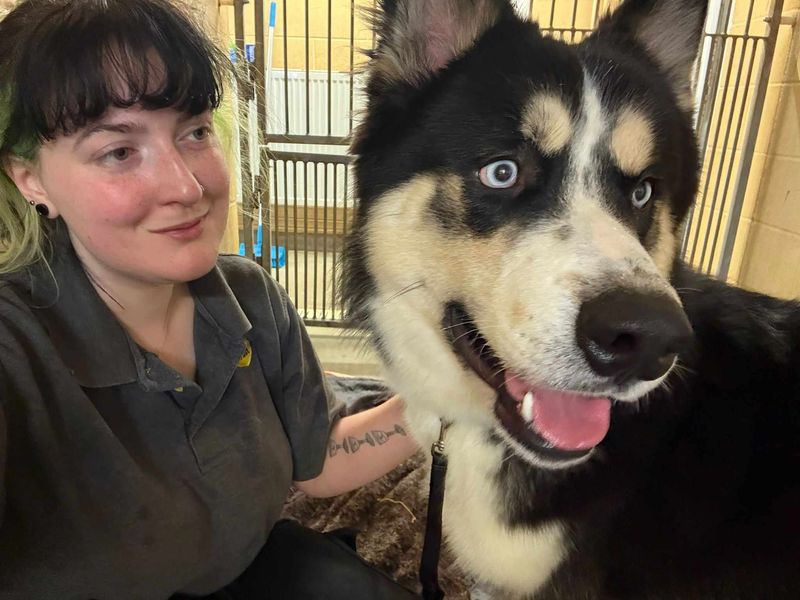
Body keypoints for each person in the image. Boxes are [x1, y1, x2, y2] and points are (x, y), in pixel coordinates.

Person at [0, 1, 420, 598]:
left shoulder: (249, 297)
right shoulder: (15, 347)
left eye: (194, 132)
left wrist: (452, 393)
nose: (188, 187)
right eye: (119, 151)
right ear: (30, 179)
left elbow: (319, 462)